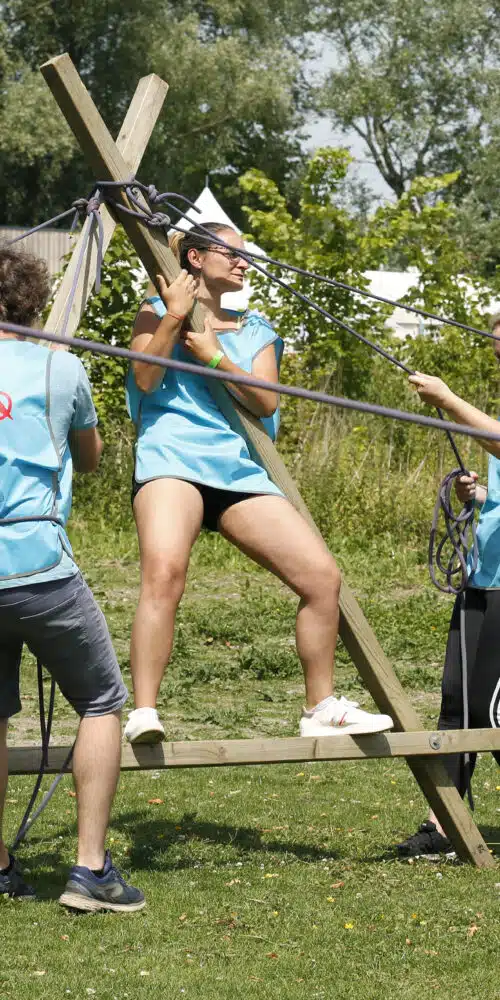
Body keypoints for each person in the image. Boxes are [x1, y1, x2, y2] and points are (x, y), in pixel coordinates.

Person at [124, 222, 394, 744]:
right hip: (171, 458)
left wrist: (214, 356)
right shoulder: (155, 310)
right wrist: (175, 316)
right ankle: (143, 712)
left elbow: (266, 402)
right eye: (233, 254)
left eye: (245, 256)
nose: (244, 263)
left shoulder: (256, 330)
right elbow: (145, 379)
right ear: (197, 258)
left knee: (322, 578)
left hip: (235, 468)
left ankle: (319, 707)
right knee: (165, 572)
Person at [0, 245, 144, 911]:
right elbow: (88, 457)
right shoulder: (63, 368)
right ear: (34, 303)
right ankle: (90, 870)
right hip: (40, 568)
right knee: (101, 700)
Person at [398, 325, 500, 858]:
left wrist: (448, 399)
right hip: (484, 578)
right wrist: (477, 494)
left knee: (490, 709)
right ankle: (445, 824)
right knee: (457, 704)